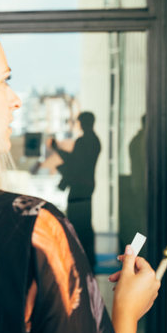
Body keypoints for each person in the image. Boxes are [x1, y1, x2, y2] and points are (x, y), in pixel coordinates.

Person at [0, 10, 160, 333]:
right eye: (4, 80)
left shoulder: (89, 144)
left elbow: (76, 166)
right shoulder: (34, 227)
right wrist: (126, 313)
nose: (15, 100)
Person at [52, 111, 101, 269]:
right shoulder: (94, 140)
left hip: (80, 187)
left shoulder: (84, 141)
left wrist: (57, 149)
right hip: (86, 186)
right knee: (84, 222)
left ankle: (81, 258)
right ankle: (87, 258)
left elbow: (74, 163)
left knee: (78, 222)